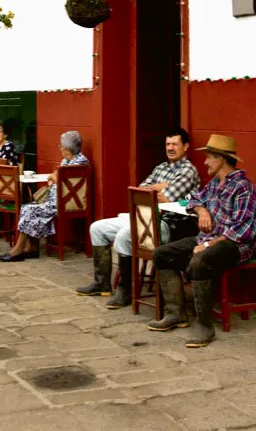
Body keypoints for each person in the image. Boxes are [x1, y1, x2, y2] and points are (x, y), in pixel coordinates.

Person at [148, 134, 256, 346]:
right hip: (209, 239)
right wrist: (203, 212)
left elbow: (241, 232)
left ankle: (204, 326)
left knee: (199, 261)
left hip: (235, 246)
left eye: (209, 157)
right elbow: (194, 199)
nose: (205, 162)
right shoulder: (213, 184)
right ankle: (175, 313)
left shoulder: (242, 188)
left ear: (220, 159)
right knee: (161, 253)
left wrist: (207, 245)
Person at [76, 128, 199, 308]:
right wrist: (161, 186)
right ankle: (102, 283)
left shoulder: (189, 171)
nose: (170, 148)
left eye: (175, 144)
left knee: (124, 235)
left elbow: (166, 198)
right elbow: (139, 192)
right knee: (97, 228)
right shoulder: (161, 168)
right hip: (144, 217)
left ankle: (126, 291)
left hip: (169, 224)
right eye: (168, 144)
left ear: (185, 147)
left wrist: (155, 190)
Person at [0, 130, 89, 262]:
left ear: (67, 149)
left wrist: (54, 177)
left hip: (63, 203)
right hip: (56, 200)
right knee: (28, 207)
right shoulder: (68, 161)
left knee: (29, 210)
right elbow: (57, 176)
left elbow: (61, 180)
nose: (59, 148)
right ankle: (32, 247)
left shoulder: (79, 163)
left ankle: (18, 250)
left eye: (61, 146)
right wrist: (54, 177)